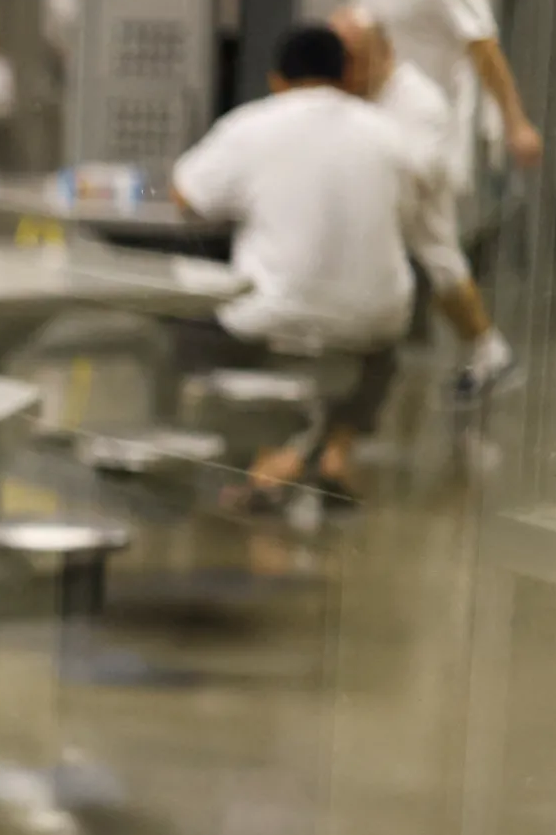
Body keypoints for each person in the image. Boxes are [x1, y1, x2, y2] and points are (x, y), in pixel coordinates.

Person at [171, 25, 425, 504]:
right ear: (347, 75)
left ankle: (270, 457)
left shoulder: (253, 124)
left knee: (196, 327)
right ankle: (335, 454)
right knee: (382, 331)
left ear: (277, 80)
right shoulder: (389, 134)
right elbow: (409, 213)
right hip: (370, 320)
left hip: (273, 317)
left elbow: (186, 193)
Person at [356, 0, 539, 396]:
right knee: (415, 244)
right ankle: (468, 351)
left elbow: (482, 43)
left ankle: (488, 351)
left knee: (433, 246)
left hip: (427, 123)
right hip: (381, 116)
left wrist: (514, 120)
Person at [329, 6, 516, 397]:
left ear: (384, 53)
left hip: (416, 192)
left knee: (441, 262)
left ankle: (490, 350)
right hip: (360, 200)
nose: (347, 71)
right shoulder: (343, 87)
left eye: (356, 60)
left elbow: (414, 168)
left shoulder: (418, 100)